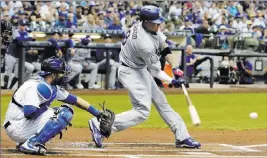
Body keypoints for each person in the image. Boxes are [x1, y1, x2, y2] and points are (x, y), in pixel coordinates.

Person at [88, 5, 201, 149]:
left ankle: (182, 136)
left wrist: (175, 68)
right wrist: (172, 80)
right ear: (146, 22)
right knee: (142, 111)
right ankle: (99, 125)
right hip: (129, 72)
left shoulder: (147, 27)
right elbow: (155, 72)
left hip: (139, 68)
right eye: (156, 22)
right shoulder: (144, 43)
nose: (159, 25)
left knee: (161, 101)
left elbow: (164, 47)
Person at [2, 56, 115, 155]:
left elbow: (76, 100)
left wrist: (97, 113)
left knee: (61, 111)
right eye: (61, 73)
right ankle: (31, 144)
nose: (64, 76)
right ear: (53, 74)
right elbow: (28, 112)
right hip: (17, 126)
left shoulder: (51, 87)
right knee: (63, 113)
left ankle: (26, 141)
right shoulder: (36, 86)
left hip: (20, 125)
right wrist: (51, 114)